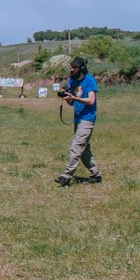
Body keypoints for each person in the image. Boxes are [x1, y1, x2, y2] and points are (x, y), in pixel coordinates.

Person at [54, 56, 102, 187]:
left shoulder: (89, 80)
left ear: (82, 68)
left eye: (74, 67)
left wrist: (74, 97)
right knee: (84, 150)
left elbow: (91, 100)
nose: (72, 69)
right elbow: (71, 102)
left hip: (87, 119)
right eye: (71, 67)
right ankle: (96, 175)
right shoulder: (72, 81)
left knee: (76, 147)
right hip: (78, 118)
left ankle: (66, 176)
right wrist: (67, 97)